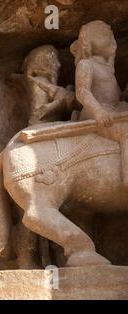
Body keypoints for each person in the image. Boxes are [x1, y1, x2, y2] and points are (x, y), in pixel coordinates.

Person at [72, 20, 128, 188]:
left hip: (113, 109)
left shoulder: (107, 69)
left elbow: (114, 95)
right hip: (95, 113)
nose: (112, 39)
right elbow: (82, 92)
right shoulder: (86, 65)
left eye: (112, 36)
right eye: (106, 35)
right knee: (126, 132)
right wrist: (98, 111)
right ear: (89, 43)